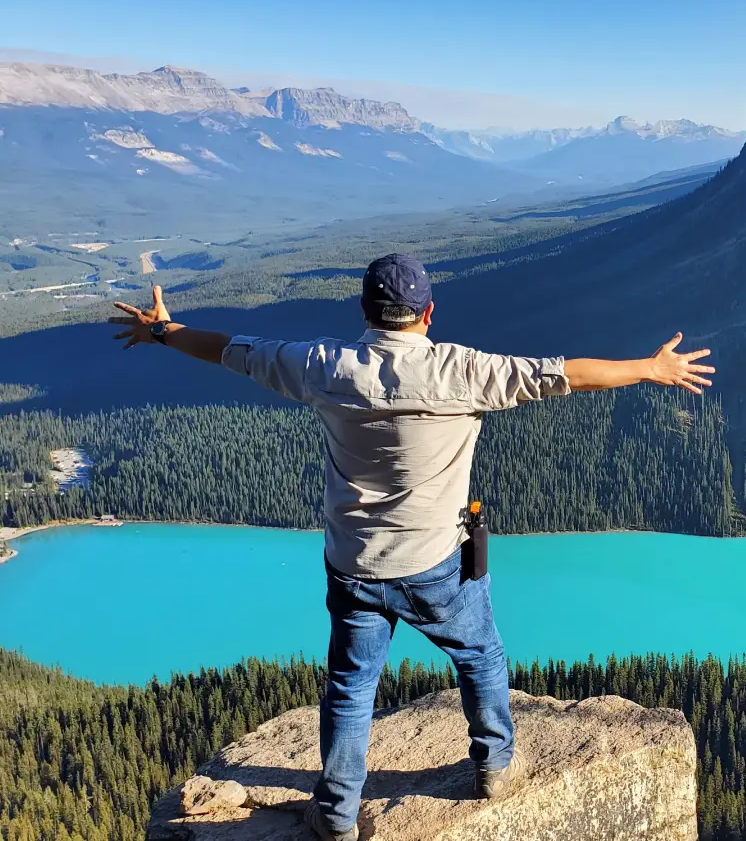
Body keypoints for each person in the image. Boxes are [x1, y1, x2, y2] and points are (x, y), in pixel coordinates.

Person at [109, 254, 714, 841]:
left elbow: (231, 351)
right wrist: (650, 368)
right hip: (435, 565)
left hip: (353, 564)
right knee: (480, 655)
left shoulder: (322, 365)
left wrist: (163, 331)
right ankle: (495, 768)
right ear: (428, 314)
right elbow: (566, 373)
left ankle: (339, 813)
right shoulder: (463, 371)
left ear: (366, 312)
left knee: (351, 686)